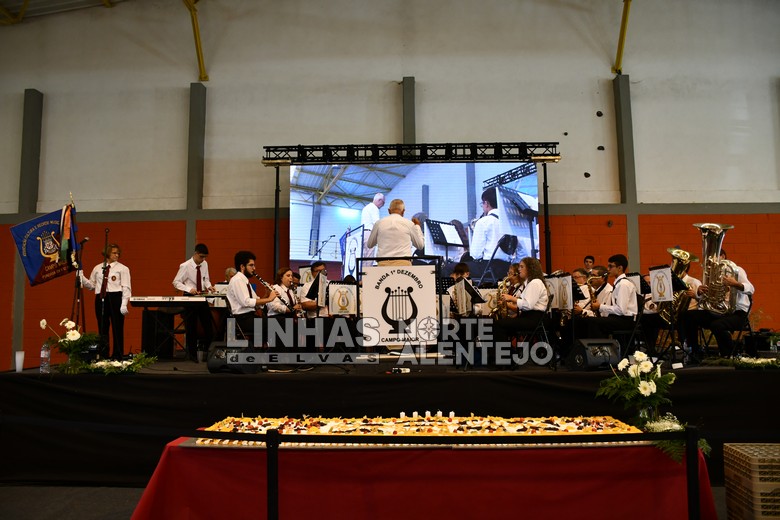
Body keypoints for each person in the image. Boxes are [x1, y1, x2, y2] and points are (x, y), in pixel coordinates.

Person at [683, 255, 754, 361]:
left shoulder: (737, 270)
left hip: (738, 313)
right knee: (689, 315)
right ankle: (694, 351)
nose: (711, 260)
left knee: (717, 325)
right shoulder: (712, 274)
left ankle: (728, 355)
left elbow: (751, 289)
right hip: (720, 312)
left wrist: (736, 284)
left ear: (722, 256)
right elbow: (709, 298)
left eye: (714, 256)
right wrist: (699, 293)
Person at [492, 258, 550, 363]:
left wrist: (511, 298)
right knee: (500, 324)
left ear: (530, 268)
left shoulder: (535, 283)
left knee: (499, 325)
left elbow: (528, 305)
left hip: (533, 319)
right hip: (530, 317)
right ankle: (507, 357)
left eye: (522, 267)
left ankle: (505, 360)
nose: (519, 269)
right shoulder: (530, 283)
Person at [80, 243, 131, 360]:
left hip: (115, 296)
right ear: (107, 253)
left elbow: (126, 287)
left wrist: (124, 304)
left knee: (117, 327)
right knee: (102, 326)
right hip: (101, 297)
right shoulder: (98, 268)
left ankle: (117, 354)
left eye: (118, 253)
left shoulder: (123, 268)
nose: (117, 255)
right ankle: (103, 354)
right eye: (114, 253)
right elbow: (92, 285)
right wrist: (82, 278)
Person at [172, 243, 215, 362]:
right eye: (201, 257)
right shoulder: (185, 266)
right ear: (195, 254)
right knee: (191, 327)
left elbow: (206, 279)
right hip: (190, 297)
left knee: (208, 325)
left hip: (201, 296)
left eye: (205, 257)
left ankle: (208, 353)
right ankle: (192, 355)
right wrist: (188, 289)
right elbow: (176, 282)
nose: (203, 259)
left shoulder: (205, 264)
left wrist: (209, 286)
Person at [226, 251, 279, 340]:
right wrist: (269, 299)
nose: (254, 268)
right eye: (251, 265)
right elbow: (246, 302)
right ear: (242, 266)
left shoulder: (245, 281)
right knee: (277, 323)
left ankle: (268, 346)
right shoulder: (237, 280)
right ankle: (272, 347)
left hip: (249, 318)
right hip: (241, 320)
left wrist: (267, 294)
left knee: (279, 321)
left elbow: (256, 302)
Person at [467, 188, 514, 281]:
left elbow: (475, 254)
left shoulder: (484, 221)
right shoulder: (510, 222)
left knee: (450, 268)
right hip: (506, 268)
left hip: (489, 268)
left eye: (482, 204)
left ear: (486, 203)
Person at [587, 254, 638, 340]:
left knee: (593, 322)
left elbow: (621, 310)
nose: (608, 269)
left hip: (626, 320)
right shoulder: (619, 283)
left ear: (620, 268)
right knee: (591, 320)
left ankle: (601, 346)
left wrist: (600, 307)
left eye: (610, 266)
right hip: (620, 318)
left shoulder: (623, 284)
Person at [365, 199, 425, 266]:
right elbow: (420, 245)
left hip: (383, 264)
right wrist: (417, 226)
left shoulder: (378, 223)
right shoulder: (409, 224)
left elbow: (369, 244)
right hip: (404, 264)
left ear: (389, 211)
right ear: (403, 211)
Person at [361, 193, 385, 260]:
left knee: (364, 257)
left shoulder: (366, 208)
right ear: (379, 200)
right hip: (369, 234)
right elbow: (377, 223)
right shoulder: (374, 208)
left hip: (363, 234)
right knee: (369, 257)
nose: (382, 206)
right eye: (383, 203)